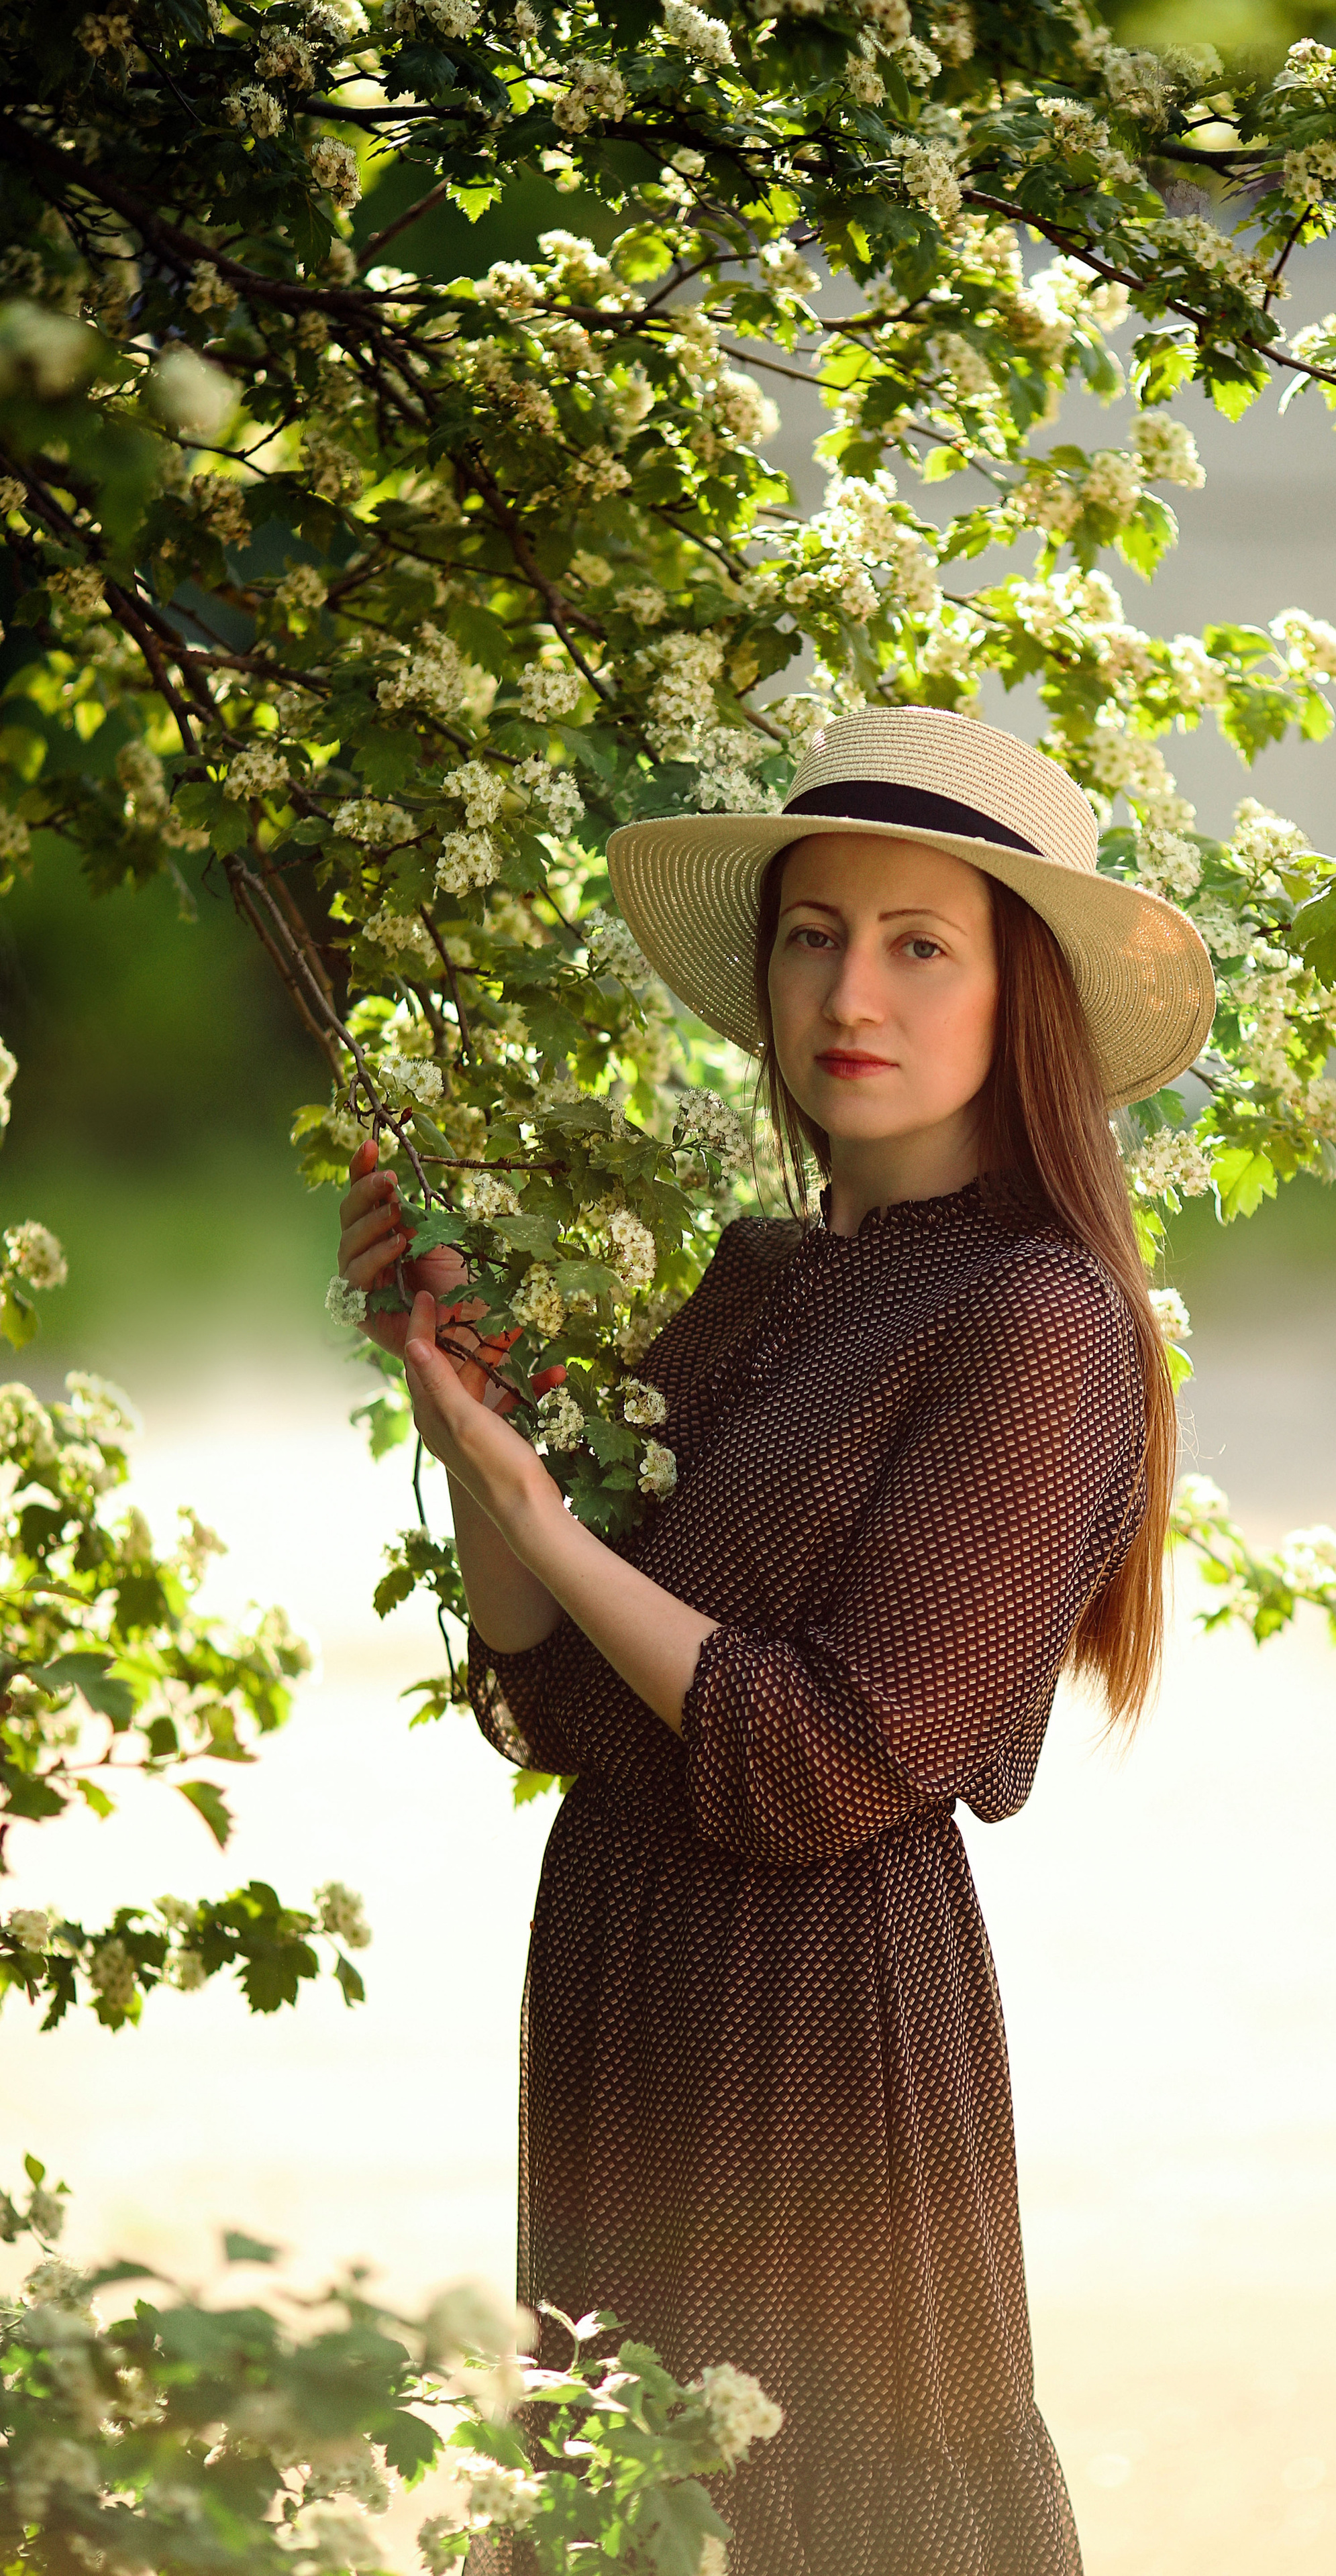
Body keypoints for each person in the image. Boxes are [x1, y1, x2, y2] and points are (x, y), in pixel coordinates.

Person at [335, 706, 1215, 2575]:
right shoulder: (754, 1280)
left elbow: (826, 1756)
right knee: (624, 2495)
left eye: (919, 945)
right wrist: (466, 1435)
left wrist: (549, 1518)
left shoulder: (1038, 1315)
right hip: (625, 1966)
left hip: (817, 2017)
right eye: (814, 935)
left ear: (1024, 1002)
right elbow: (555, 1700)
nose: (849, 992)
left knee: (806, 2514)